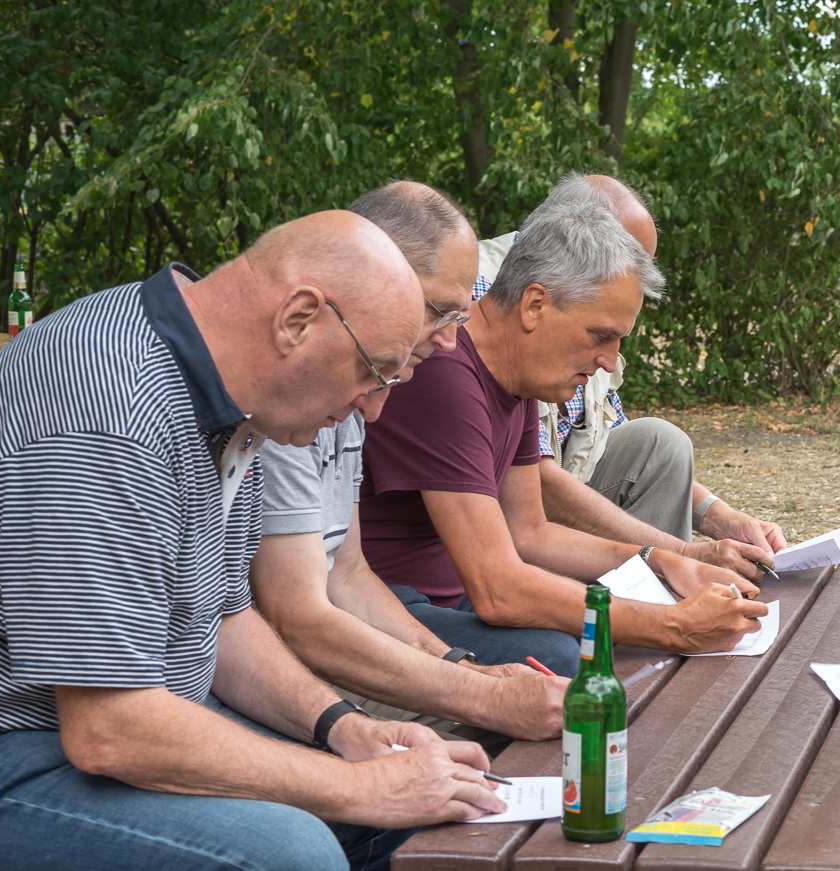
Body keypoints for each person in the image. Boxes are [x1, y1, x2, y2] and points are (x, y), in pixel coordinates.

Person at [0, 212, 505, 871]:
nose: (371, 407)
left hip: (83, 725)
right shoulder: (105, 413)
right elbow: (110, 729)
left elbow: (221, 620)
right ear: (298, 319)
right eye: (375, 373)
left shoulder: (225, 403)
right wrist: (357, 785)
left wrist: (344, 730)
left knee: (386, 833)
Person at [360, 185, 767, 654]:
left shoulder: (520, 376)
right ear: (535, 305)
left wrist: (665, 560)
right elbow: (498, 591)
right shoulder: (446, 372)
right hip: (403, 613)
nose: (611, 362)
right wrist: (671, 624)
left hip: (458, 603)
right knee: (562, 653)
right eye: (601, 335)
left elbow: (530, 533)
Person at [251, 181, 567, 750]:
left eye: (461, 311)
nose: (452, 340)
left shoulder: (351, 393)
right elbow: (295, 619)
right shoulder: (299, 395)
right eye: (439, 311)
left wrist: (459, 666)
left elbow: (346, 574)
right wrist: (477, 693)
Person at [477, 175, 787, 581]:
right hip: (496, 517)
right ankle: (658, 607)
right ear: (576, 240)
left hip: (545, 505)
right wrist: (683, 554)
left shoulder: (579, 308)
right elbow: (533, 488)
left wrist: (717, 516)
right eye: (627, 260)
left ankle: (665, 599)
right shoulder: (486, 301)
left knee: (660, 442)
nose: (610, 360)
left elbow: (608, 429)